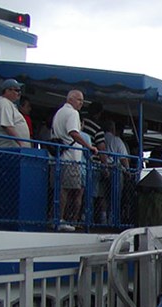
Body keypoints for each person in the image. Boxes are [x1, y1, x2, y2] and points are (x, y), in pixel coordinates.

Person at [51, 90, 97, 231]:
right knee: (68, 191)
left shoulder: (59, 112)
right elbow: (73, 132)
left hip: (59, 157)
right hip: (70, 158)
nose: (81, 103)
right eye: (79, 100)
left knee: (61, 189)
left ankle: (58, 218)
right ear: (70, 99)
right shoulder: (73, 114)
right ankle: (61, 220)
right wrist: (89, 146)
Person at [82, 102, 110, 224]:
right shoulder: (97, 129)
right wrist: (105, 167)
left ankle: (81, 218)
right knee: (92, 194)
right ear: (99, 114)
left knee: (80, 192)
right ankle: (88, 220)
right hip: (93, 164)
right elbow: (102, 149)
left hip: (79, 162)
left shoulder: (81, 123)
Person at [0, 79, 31, 148]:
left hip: (13, 149)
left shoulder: (8, 104)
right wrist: (21, 143)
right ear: (7, 91)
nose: (19, 93)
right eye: (17, 90)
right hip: (7, 148)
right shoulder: (3, 103)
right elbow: (7, 126)